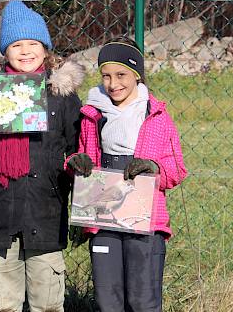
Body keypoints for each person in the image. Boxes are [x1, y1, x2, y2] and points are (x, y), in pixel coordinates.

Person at [0, 0, 84, 312]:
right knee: (0, 300)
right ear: (5, 51)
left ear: (45, 48)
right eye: (16, 44)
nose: (25, 51)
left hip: (46, 207)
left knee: (47, 299)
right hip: (1, 207)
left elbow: (78, 143)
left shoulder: (61, 96)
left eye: (33, 43)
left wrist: (76, 162)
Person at [66, 37, 188, 312]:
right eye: (106, 76)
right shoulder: (91, 115)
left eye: (121, 75)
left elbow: (176, 169)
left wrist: (153, 169)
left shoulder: (156, 117)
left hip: (145, 220)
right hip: (103, 216)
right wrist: (76, 163)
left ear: (136, 74)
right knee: (108, 300)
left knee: (143, 300)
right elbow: (81, 156)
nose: (113, 83)